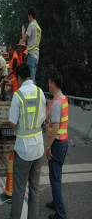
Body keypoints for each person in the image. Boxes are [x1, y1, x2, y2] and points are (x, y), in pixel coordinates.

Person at [9, 63, 46, 219]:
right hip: (38, 149)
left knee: (18, 190)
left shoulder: (18, 95)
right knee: (35, 189)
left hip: (23, 150)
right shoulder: (40, 93)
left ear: (18, 77)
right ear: (29, 75)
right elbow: (43, 119)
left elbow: (12, 123)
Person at [46, 72, 68, 219]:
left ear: (53, 84)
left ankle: (61, 214)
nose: (48, 85)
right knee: (57, 176)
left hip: (57, 144)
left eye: (49, 83)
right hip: (63, 142)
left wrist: (48, 146)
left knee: (55, 180)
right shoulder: (64, 99)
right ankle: (55, 202)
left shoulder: (56, 103)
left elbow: (55, 127)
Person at [22, 7, 42, 85]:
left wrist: (23, 32)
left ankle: (33, 94)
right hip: (37, 55)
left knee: (31, 77)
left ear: (30, 15)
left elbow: (24, 40)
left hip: (31, 54)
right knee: (33, 74)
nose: (28, 19)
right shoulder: (38, 27)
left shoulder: (31, 25)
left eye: (28, 17)